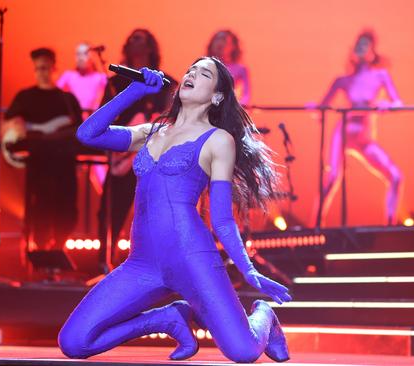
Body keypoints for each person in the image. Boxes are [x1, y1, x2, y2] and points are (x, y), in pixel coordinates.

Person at [58, 57, 292, 363]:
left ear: (217, 95)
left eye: (204, 73)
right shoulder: (152, 131)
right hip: (142, 264)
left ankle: (264, 315)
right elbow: (87, 134)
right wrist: (134, 91)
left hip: (193, 260)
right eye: (190, 70)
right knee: (74, 342)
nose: (192, 74)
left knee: (244, 351)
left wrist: (248, 271)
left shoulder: (218, 141)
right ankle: (167, 319)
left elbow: (222, 221)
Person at [97, 29, 176, 272]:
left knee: (154, 209)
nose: (135, 42)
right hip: (122, 155)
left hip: (153, 155)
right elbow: (102, 116)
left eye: (140, 38)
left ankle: (157, 262)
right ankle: (105, 260)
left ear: (151, 46)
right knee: (110, 210)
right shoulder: (116, 82)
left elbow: (174, 119)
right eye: (131, 38)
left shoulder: (166, 83)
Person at [316, 30, 403, 226]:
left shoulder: (381, 75)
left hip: (365, 137)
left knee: (396, 176)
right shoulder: (343, 80)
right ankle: (315, 226)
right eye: (358, 45)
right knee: (331, 179)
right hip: (343, 133)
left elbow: (397, 101)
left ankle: (391, 225)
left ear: (373, 50)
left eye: (365, 45)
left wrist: (387, 105)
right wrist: (316, 109)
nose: (361, 48)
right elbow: (322, 106)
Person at [3, 48, 82, 249]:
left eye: (45, 67)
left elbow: (79, 130)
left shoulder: (67, 99)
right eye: (37, 68)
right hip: (38, 162)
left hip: (63, 162)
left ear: (54, 68)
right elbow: (8, 124)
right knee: (39, 207)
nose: (41, 72)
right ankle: (38, 250)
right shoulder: (25, 96)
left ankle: (59, 249)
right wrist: (17, 125)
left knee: (66, 208)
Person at [56, 41, 107, 115]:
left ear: (93, 56)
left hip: (94, 118)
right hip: (74, 117)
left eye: (85, 54)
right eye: (78, 54)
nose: (80, 58)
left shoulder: (101, 78)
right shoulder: (68, 76)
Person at [207, 30, 251, 105]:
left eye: (224, 39)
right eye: (217, 39)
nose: (220, 43)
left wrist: (236, 107)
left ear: (233, 46)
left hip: (230, 111)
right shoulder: (203, 66)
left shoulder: (241, 69)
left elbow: (246, 96)